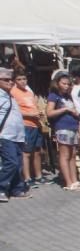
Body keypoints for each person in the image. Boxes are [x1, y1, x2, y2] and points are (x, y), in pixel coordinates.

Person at [46, 71, 80, 191]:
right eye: (64, 83)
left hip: (73, 126)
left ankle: (74, 180)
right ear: (57, 83)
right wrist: (65, 109)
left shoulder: (68, 96)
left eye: (68, 84)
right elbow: (49, 113)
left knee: (72, 155)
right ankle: (68, 182)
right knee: (64, 154)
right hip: (62, 127)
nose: (66, 86)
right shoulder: (54, 96)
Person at [0, 67, 30, 202]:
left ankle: (16, 189)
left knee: (18, 163)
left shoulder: (10, 95)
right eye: (6, 80)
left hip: (17, 135)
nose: (10, 82)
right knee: (11, 162)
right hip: (5, 135)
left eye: (11, 80)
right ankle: (1, 188)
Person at [9, 69, 42, 189]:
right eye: (19, 79)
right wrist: (30, 115)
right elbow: (15, 110)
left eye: (24, 79)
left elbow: (33, 106)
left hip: (36, 124)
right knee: (26, 152)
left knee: (37, 151)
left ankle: (38, 176)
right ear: (14, 81)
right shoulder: (13, 92)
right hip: (25, 124)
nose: (22, 82)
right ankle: (27, 177)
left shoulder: (28, 91)